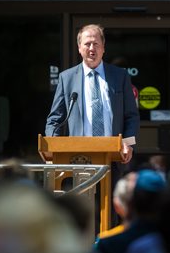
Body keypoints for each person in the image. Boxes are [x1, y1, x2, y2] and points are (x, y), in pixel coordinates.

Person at [45, 24, 140, 164]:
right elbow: (55, 119)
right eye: (87, 44)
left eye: (96, 44)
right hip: (78, 159)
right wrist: (52, 145)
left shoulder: (120, 76)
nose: (91, 49)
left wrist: (128, 143)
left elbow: (131, 116)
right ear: (79, 48)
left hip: (113, 157)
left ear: (103, 47)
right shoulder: (67, 78)